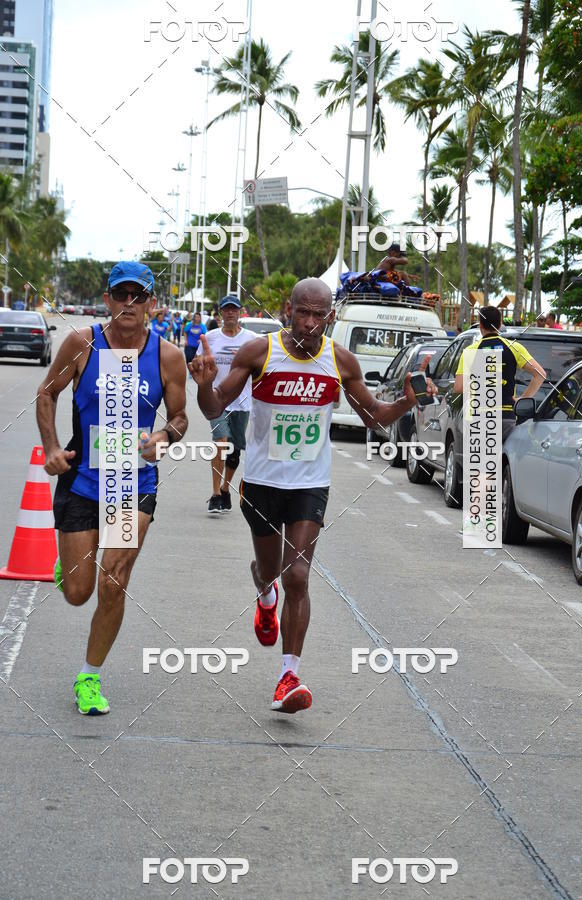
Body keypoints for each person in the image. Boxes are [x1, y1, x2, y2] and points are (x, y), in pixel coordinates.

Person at [189, 277, 436, 714]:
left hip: (309, 484)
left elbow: (374, 418)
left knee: (298, 575)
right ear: (288, 309)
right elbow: (214, 408)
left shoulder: (339, 361)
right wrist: (205, 385)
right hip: (262, 484)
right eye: (300, 312)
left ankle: (289, 676)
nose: (307, 322)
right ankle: (265, 597)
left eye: (317, 314)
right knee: (269, 570)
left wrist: (407, 404)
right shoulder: (259, 352)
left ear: (330, 317)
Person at [36, 261, 188, 715]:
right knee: (78, 591)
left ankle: (89, 677)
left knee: (114, 580)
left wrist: (161, 438)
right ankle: (67, 564)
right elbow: (47, 393)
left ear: (152, 304)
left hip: (131, 482)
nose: (129, 304)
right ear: (107, 300)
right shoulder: (83, 344)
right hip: (82, 480)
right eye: (121, 295)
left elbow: (180, 418)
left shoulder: (167, 356)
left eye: (138, 296)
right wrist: (49, 447)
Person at [197, 295, 257, 513]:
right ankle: (214, 494)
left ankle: (225, 488)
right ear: (220, 313)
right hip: (217, 401)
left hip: (242, 402)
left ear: (240, 312)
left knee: (234, 452)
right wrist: (201, 368)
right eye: (226, 309)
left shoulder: (252, 339)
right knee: (221, 441)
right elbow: (198, 363)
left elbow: (260, 367)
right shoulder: (210, 338)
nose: (230, 313)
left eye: (234, 309)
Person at [453, 304, 546, 441]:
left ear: (480, 326)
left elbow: (458, 387)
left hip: (477, 418)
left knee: (481, 461)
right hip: (505, 416)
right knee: (505, 460)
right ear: (500, 323)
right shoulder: (514, 347)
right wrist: (522, 400)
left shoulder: (470, 351)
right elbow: (540, 374)